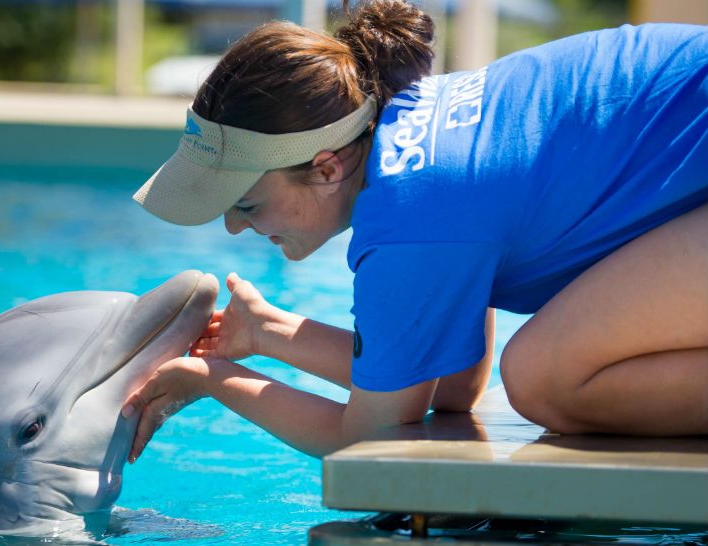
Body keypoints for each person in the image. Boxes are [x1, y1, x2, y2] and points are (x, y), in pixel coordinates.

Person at [121, 0, 708, 462]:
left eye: (245, 203)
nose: (230, 226)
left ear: (326, 168)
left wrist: (215, 380)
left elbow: (368, 441)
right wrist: (269, 332)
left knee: (546, 380)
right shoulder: (406, 139)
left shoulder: (412, 217)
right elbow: (449, 384)